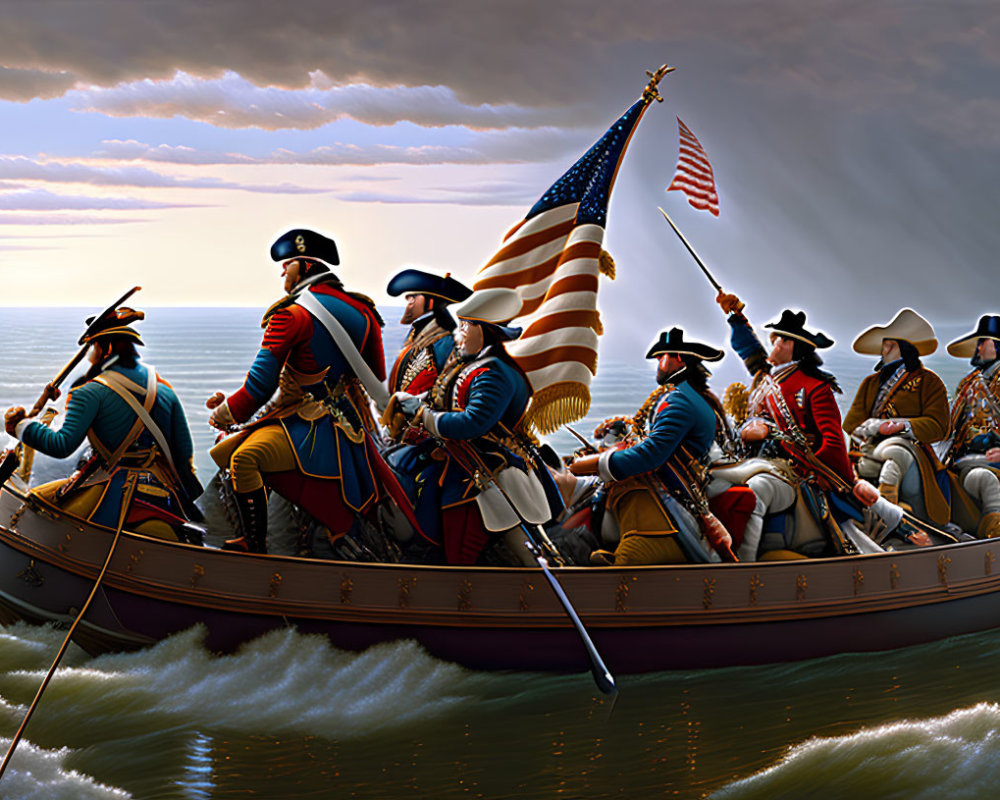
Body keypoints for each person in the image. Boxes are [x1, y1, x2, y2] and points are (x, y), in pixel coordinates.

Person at [206, 228, 387, 553]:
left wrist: (224, 412)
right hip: (352, 428)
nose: (281, 272)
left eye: (286, 264)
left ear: (304, 266)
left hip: (309, 426)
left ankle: (253, 544)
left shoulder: (291, 315)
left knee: (244, 458)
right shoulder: (366, 313)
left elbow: (259, 387)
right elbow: (376, 375)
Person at [4, 307, 203, 540]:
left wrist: (21, 427)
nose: (90, 357)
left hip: (115, 486)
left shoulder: (88, 392)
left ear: (105, 348)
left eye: (93, 349)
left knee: (33, 510)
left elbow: (62, 445)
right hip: (162, 485)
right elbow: (184, 450)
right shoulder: (164, 388)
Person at [391, 287, 552, 564]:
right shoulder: (474, 364)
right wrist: (418, 401)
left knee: (460, 540)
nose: (459, 332)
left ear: (484, 330)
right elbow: (446, 398)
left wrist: (424, 415)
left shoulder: (494, 373)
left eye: (466, 326)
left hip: (484, 468)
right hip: (459, 457)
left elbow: (472, 422)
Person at [568, 327, 733, 565]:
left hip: (672, 493)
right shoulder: (688, 396)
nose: (657, 362)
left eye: (661, 356)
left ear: (678, 359)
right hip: (671, 483)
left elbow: (650, 455)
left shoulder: (680, 401)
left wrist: (589, 464)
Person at [715, 295, 853, 560]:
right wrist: (735, 317)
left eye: (777, 339)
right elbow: (747, 345)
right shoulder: (764, 375)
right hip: (754, 458)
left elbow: (833, 441)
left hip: (795, 467)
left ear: (790, 344)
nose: (771, 344)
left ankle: (743, 563)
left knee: (758, 490)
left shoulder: (815, 387)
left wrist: (812, 470)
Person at [843, 308, 951, 525]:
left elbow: (939, 426)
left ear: (901, 348)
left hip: (912, 452)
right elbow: (851, 423)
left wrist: (900, 426)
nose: (883, 351)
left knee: (895, 448)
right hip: (869, 449)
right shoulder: (870, 383)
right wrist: (876, 427)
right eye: (885, 346)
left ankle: (888, 511)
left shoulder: (930, 382)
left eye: (888, 346)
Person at [942, 315, 1000, 537]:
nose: (977, 348)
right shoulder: (968, 383)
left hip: (994, 459)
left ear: (996, 345)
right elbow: (951, 424)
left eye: (981, 342)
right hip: (965, 457)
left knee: (986, 480)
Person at [386, 269, 472, 396]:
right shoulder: (419, 333)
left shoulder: (444, 342)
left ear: (430, 303)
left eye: (413, 299)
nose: (409, 304)